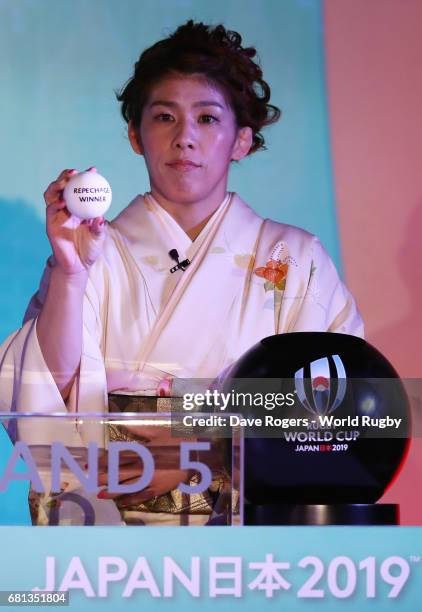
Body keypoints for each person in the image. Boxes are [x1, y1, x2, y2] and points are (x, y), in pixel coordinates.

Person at [0, 20, 363, 523]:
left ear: (241, 140)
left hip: (247, 537)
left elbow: (344, 408)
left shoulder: (296, 260)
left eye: (208, 119)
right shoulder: (92, 254)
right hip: (110, 538)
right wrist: (69, 271)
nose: (185, 138)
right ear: (135, 134)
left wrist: (205, 445)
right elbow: (45, 395)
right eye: (164, 117)